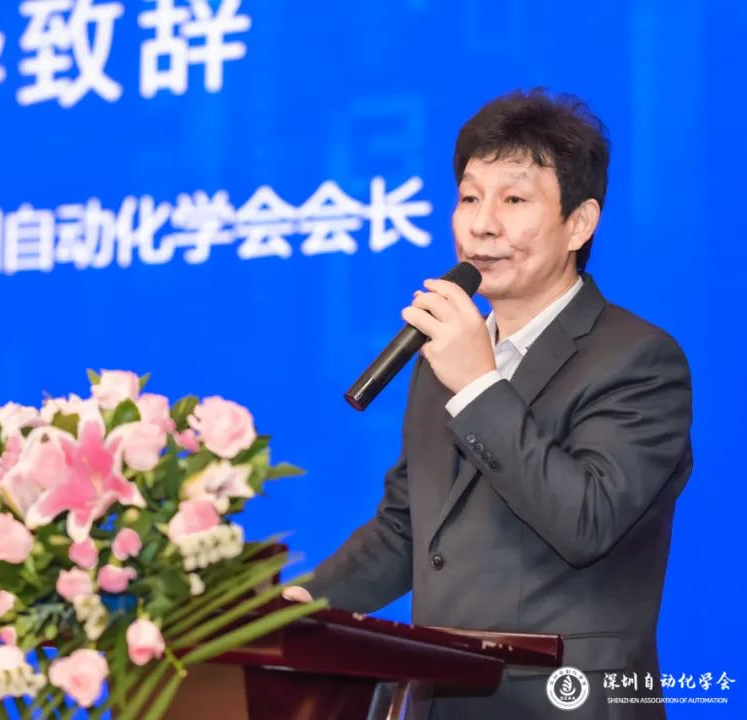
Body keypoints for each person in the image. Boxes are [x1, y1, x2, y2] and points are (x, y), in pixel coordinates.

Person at [286, 89, 692, 719]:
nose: (482, 225)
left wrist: (478, 385)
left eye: (514, 200)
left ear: (580, 223)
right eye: (470, 198)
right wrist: (297, 606)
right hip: (439, 696)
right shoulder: (445, 358)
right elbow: (406, 530)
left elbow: (586, 520)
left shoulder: (638, 359)